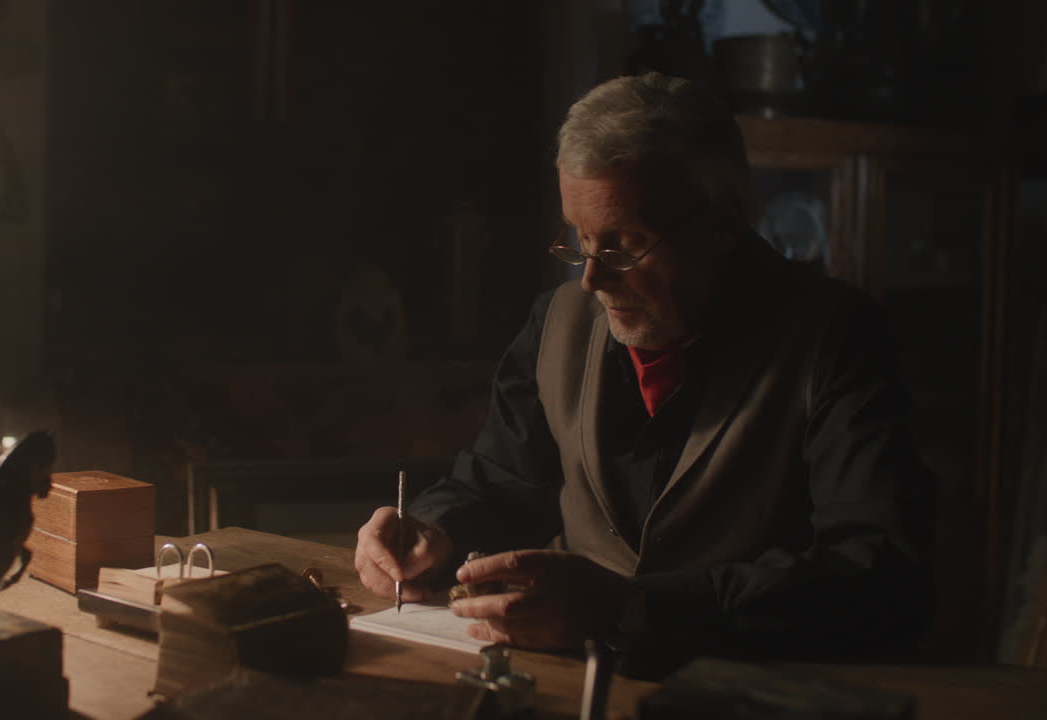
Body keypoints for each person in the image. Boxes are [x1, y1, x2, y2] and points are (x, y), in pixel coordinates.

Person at [354, 72, 934, 664]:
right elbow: (503, 481)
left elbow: (876, 574)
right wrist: (431, 528)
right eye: (580, 241)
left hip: (750, 691)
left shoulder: (834, 337)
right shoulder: (558, 321)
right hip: (569, 685)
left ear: (723, 222)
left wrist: (632, 608)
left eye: (625, 245)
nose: (593, 280)